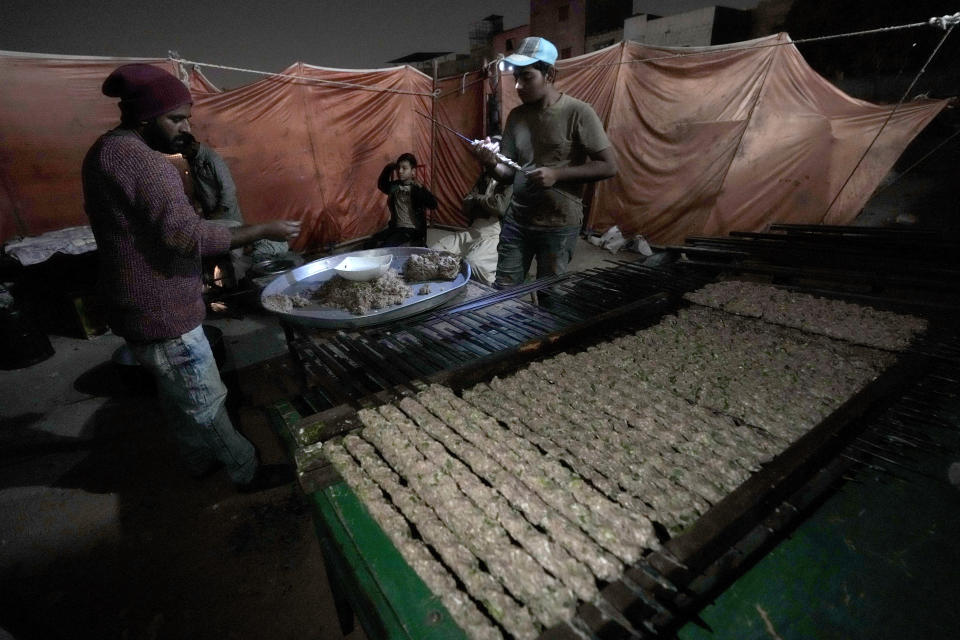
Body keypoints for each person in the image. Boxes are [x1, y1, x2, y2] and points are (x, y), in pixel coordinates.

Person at [82, 63, 301, 493]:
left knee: (175, 395)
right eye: (176, 119)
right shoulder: (146, 164)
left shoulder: (103, 150)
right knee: (206, 400)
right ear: (144, 118)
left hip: (136, 306)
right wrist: (263, 229)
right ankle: (247, 471)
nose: (185, 126)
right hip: (164, 310)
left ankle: (197, 460)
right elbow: (186, 237)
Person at [472, 37, 618, 287]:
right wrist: (490, 163)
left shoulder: (578, 112)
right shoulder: (516, 117)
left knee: (551, 295)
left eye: (527, 77)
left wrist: (557, 174)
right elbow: (507, 174)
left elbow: (609, 166)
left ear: (549, 73)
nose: (518, 85)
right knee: (504, 291)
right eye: (516, 77)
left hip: (559, 224)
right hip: (517, 221)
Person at [180, 133, 287, 284]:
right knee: (220, 253)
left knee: (233, 252)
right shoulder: (193, 160)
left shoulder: (212, 159)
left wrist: (218, 213)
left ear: (192, 145)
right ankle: (226, 282)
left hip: (226, 214)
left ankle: (239, 284)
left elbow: (229, 190)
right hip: (213, 215)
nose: (184, 156)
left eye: (185, 152)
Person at [430, 136, 512, 284]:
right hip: (474, 229)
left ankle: (490, 296)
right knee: (435, 251)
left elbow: (499, 207)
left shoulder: (509, 179)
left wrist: (477, 199)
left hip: (495, 233)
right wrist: (482, 202)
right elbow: (466, 205)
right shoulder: (485, 177)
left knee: (474, 264)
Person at [366, 153, 438, 248]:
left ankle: (417, 244)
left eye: (404, 168)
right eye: (398, 168)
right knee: (369, 243)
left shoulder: (417, 188)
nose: (400, 171)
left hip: (411, 229)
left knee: (385, 248)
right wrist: (388, 168)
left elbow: (433, 204)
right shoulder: (395, 186)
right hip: (395, 227)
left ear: (413, 171)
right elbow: (382, 185)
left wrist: (422, 189)